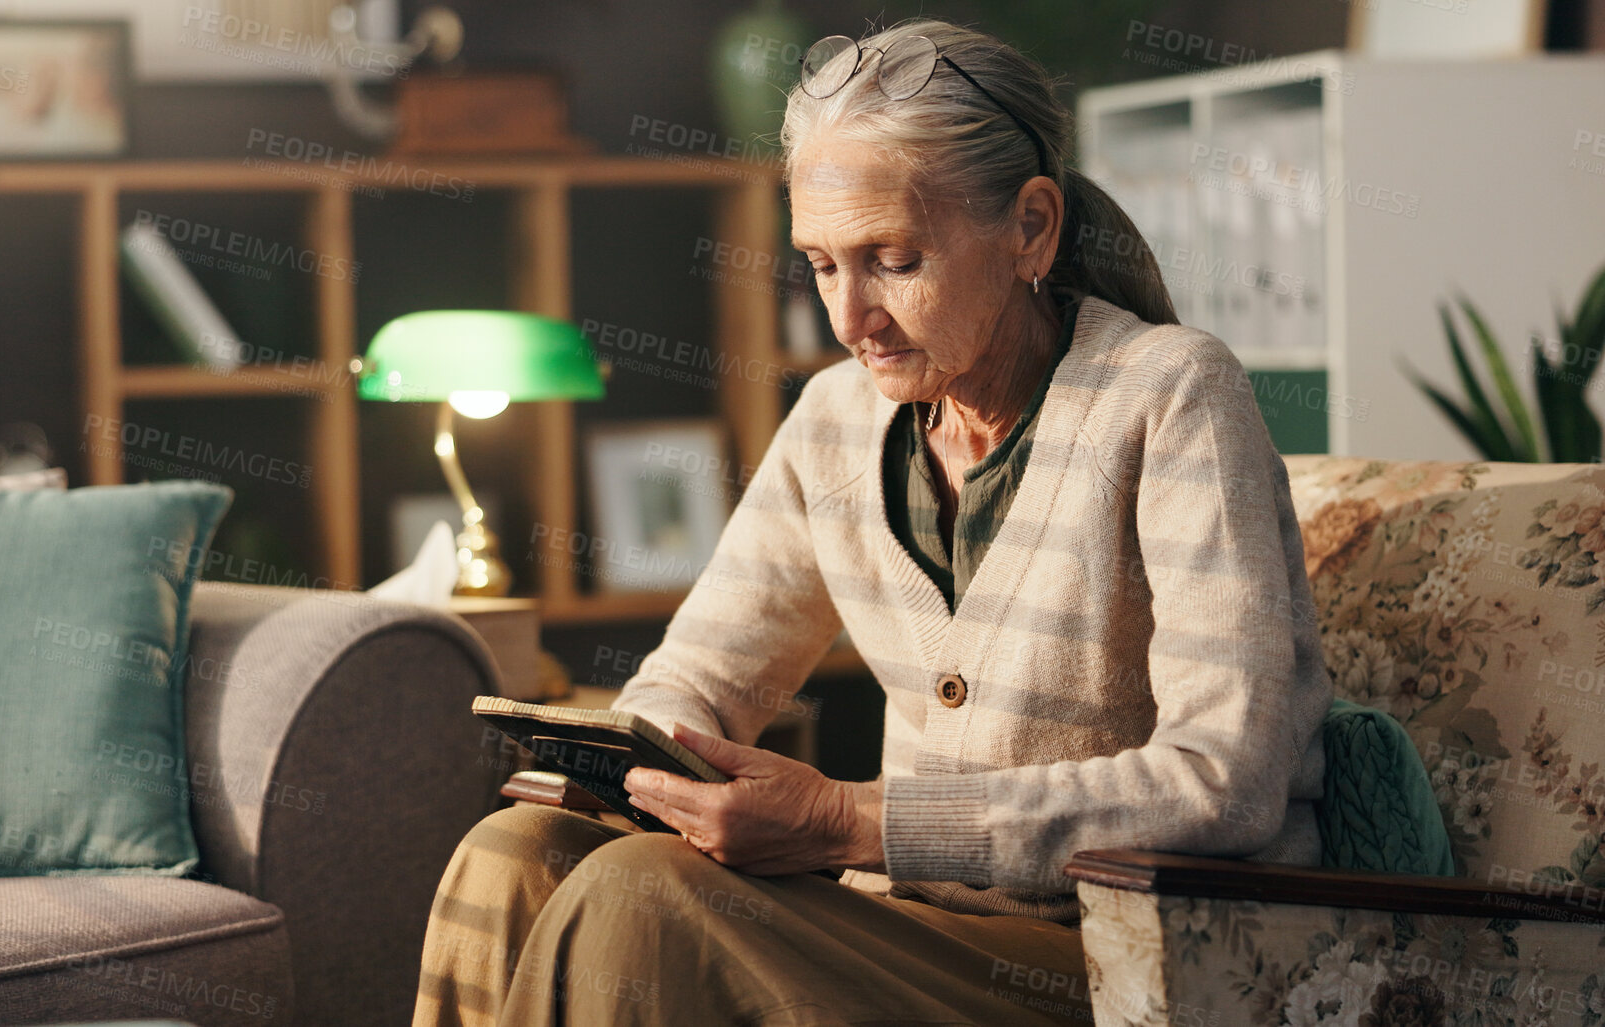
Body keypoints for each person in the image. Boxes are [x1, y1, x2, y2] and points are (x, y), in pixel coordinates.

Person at [413, 20, 1331, 1026]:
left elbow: (1225, 784)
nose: (851, 319)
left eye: (892, 259)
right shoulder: (837, 421)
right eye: (820, 264)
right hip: (909, 925)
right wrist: (633, 766)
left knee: (644, 901)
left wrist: (844, 818)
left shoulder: (1171, 395)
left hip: (1116, 957)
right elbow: (698, 680)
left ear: (1031, 228)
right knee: (513, 857)